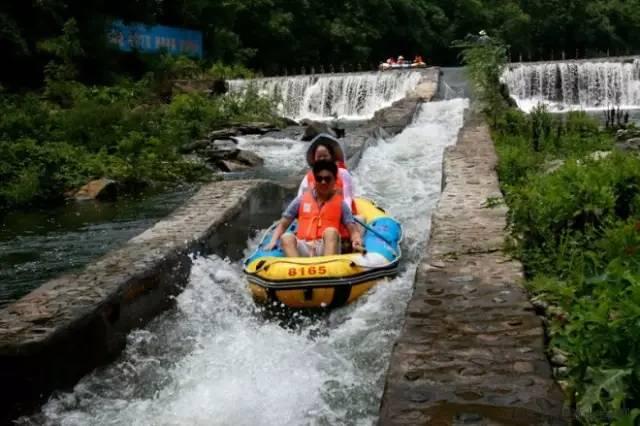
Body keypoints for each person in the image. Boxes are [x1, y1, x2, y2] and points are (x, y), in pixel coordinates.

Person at [264, 160, 363, 257]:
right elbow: (283, 224)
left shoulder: (341, 204)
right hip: (305, 245)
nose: (323, 182)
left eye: (327, 179)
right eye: (319, 179)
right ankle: (297, 269)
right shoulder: (300, 200)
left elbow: (353, 230)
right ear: (315, 181)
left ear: (334, 181)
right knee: (286, 237)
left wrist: (356, 240)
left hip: (325, 246)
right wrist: (273, 241)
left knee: (331, 232)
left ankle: (329, 268)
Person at [298, 133, 355, 213]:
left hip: (340, 213)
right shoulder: (307, 178)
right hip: (315, 215)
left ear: (331, 157)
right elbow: (300, 198)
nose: (322, 159)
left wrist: (346, 215)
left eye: (325, 156)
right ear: (314, 159)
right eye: (319, 157)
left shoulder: (343, 174)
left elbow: (347, 197)